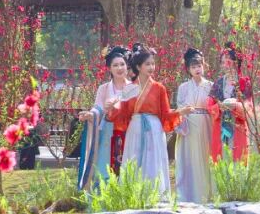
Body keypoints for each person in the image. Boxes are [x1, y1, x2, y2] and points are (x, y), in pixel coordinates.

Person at [107, 43, 192, 198]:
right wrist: (111, 109)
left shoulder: (159, 88)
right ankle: (133, 197)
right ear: (138, 67)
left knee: (154, 161)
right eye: (147, 64)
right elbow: (123, 114)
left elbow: (165, 114)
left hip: (154, 129)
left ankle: (155, 196)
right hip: (135, 128)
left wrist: (180, 112)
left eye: (153, 63)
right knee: (133, 159)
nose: (152, 67)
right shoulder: (129, 89)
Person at [76, 46, 132, 191]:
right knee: (104, 167)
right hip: (108, 132)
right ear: (109, 68)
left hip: (128, 132)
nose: (119, 68)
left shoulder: (134, 88)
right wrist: (91, 114)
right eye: (115, 65)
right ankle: (102, 199)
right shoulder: (104, 88)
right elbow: (98, 108)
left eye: (122, 64)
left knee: (127, 167)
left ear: (127, 66)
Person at [175, 48, 214, 203]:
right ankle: (190, 195)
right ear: (188, 69)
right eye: (193, 67)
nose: (197, 69)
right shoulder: (183, 87)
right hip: (189, 125)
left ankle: (208, 195)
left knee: (206, 156)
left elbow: (214, 106)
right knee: (190, 158)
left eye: (199, 66)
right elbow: (179, 107)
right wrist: (185, 112)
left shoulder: (211, 85)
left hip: (206, 124)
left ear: (204, 66)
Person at [210, 41, 251, 162]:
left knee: (238, 162)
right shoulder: (218, 83)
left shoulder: (244, 82)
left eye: (228, 61)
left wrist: (236, 105)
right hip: (220, 126)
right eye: (222, 62)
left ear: (236, 62)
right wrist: (219, 107)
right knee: (221, 163)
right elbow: (209, 106)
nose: (225, 65)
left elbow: (249, 106)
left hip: (238, 126)